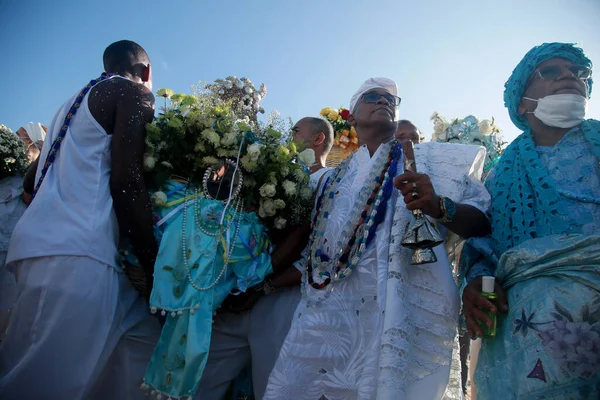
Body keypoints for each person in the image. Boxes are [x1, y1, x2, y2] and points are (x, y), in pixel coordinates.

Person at [263, 77, 491, 400]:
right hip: (322, 322)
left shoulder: (428, 160)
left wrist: (439, 205)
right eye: (373, 96)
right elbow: (313, 253)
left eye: (391, 100)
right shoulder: (329, 181)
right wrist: (261, 284)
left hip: (389, 324)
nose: (384, 101)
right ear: (353, 116)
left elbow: (482, 222)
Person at [0, 40, 161, 400]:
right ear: (146, 73)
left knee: (143, 348)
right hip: (76, 256)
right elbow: (127, 180)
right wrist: (154, 266)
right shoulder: (132, 92)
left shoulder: (71, 104)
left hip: (54, 249)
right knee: (40, 385)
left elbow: (31, 179)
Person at [460, 42, 599, 399]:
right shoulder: (502, 173)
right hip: (528, 334)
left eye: (580, 73)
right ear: (522, 103)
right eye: (552, 71)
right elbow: (483, 246)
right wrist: (475, 285)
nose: (571, 76)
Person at [196, 117, 334, 400]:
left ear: (318, 140)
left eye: (296, 131)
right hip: (240, 297)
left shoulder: (329, 181)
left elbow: (322, 249)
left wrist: (263, 286)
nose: (289, 136)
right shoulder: (275, 175)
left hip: (286, 299)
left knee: (272, 386)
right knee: (203, 379)